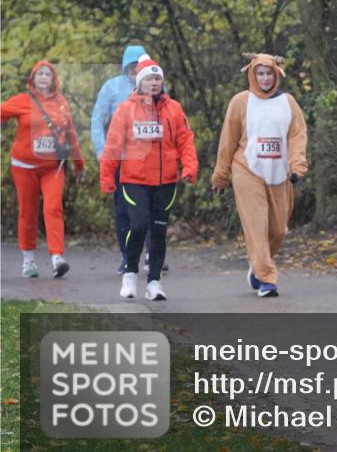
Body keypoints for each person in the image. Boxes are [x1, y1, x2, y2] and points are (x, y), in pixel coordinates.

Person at [100, 55, 197, 301]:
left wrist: (189, 166)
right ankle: (130, 273)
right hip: (133, 180)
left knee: (159, 231)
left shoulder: (174, 109)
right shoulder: (125, 109)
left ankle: (154, 282)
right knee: (139, 224)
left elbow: (185, 140)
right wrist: (107, 176)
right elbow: (113, 145)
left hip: (165, 182)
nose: (154, 83)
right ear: (139, 82)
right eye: (149, 78)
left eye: (157, 78)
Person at [212, 53, 307, 298]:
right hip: (247, 170)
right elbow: (227, 141)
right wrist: (221, 175)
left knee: (278, 231)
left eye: (269, 74)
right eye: (260, 74)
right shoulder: (241, 102)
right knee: (256, 226)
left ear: (277, 75)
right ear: (252, 75)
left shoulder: (288, 102)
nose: (264, 78)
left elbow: (297, 137)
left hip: (279, 173)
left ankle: (257, 266)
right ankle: (266, 279)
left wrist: (297, 166)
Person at [1, 60, 85, 278]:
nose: (44, 78)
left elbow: (71, 134)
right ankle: (28, 261)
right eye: (40, 75)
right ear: (33, 79)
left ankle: (57, 257)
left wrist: (79, 163)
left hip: (52, 167)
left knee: (53, 207)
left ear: (53, 79)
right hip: (24, 166)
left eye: (48, 75)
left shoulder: (61, 103)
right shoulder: (22, 101)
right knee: (27, 212)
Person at [91, 44, 158, 275]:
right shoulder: (112, 88)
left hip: (151, 159)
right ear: (125, 66)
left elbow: (169, 118)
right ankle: (127, 255)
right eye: (131, 65)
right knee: (123, 211)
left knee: (150, 207)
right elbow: (97, 119)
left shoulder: (156, 85)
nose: (135, 69)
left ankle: (151, 253)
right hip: (121, 159)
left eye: (138, 65)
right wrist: (101, 149)